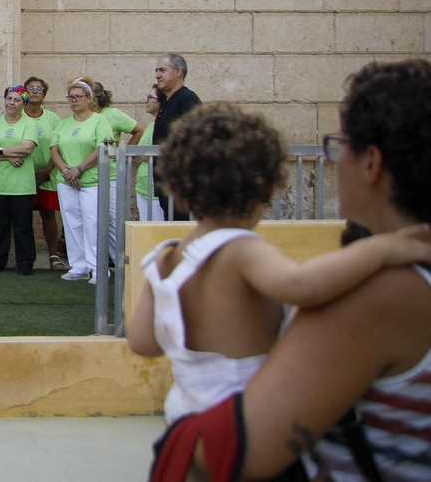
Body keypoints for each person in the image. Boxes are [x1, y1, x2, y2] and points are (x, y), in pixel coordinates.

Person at [174, 59, 431, 481]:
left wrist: (180, 426)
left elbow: (239, 453)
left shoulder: (378, 295)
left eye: (338, 143)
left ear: (371, 162)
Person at [127, 101, 431, 428]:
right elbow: (303, 286)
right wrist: (382, 249)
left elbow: (142, 341)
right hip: (243, 417)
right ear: (267, 187)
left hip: (184, 416)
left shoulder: (165, 257)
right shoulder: (241, 250)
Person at [50, 76, 112, 283]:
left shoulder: (100, 121)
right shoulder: (63, 123)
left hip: (91, 180)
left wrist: (80, 168)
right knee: (71, 223)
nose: (74, 100)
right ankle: (79, 266)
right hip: (66, 180)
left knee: (92, 223)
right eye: (70, 97)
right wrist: (68, 171)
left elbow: (102, 147)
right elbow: (54, 149)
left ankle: (98, 269)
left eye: (78, 97)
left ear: (89, 98)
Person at [0, 85, 44, 276]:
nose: (11, 103)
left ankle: (25, 264)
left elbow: (27, 148)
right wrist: (9, 156)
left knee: (23, 226)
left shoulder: (30, 124)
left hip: (21, 186)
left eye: (17, 100)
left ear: (24, 103)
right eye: (9, 98)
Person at [23, 75, 67, 270]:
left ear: (44, 95)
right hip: (22, 175)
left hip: (48, 174)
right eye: (30, 88)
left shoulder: (53, 118)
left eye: (38, 89)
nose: (34, 91)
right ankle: (25, 257)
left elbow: (58, 147)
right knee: (22, 216)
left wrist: (48, 169)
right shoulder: (18, 116)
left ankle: (53, 255)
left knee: (48, 215)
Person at [152, 52, 200, 220]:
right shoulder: (166, 101)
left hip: (181, 187)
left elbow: (197, 139)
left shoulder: (187, 99)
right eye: (156, 70)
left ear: (178, 72)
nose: (157, 75)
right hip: (166, 185)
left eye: (162, 70)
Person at [94, 82, 139, 259]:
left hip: (111, 174)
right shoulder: (84, 117)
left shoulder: (113, 114)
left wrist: (122, 153)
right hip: (90, 176)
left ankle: (121, 259)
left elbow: (138, 129)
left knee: (114, 219)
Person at [132, 86, 167, 221]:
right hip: (143, 188)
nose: (146, 101)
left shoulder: (164, 125)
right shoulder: (151, 125)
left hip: (157, 191)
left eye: (150, 97)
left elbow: (146, 154)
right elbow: (142, 154)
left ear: (160, 102)